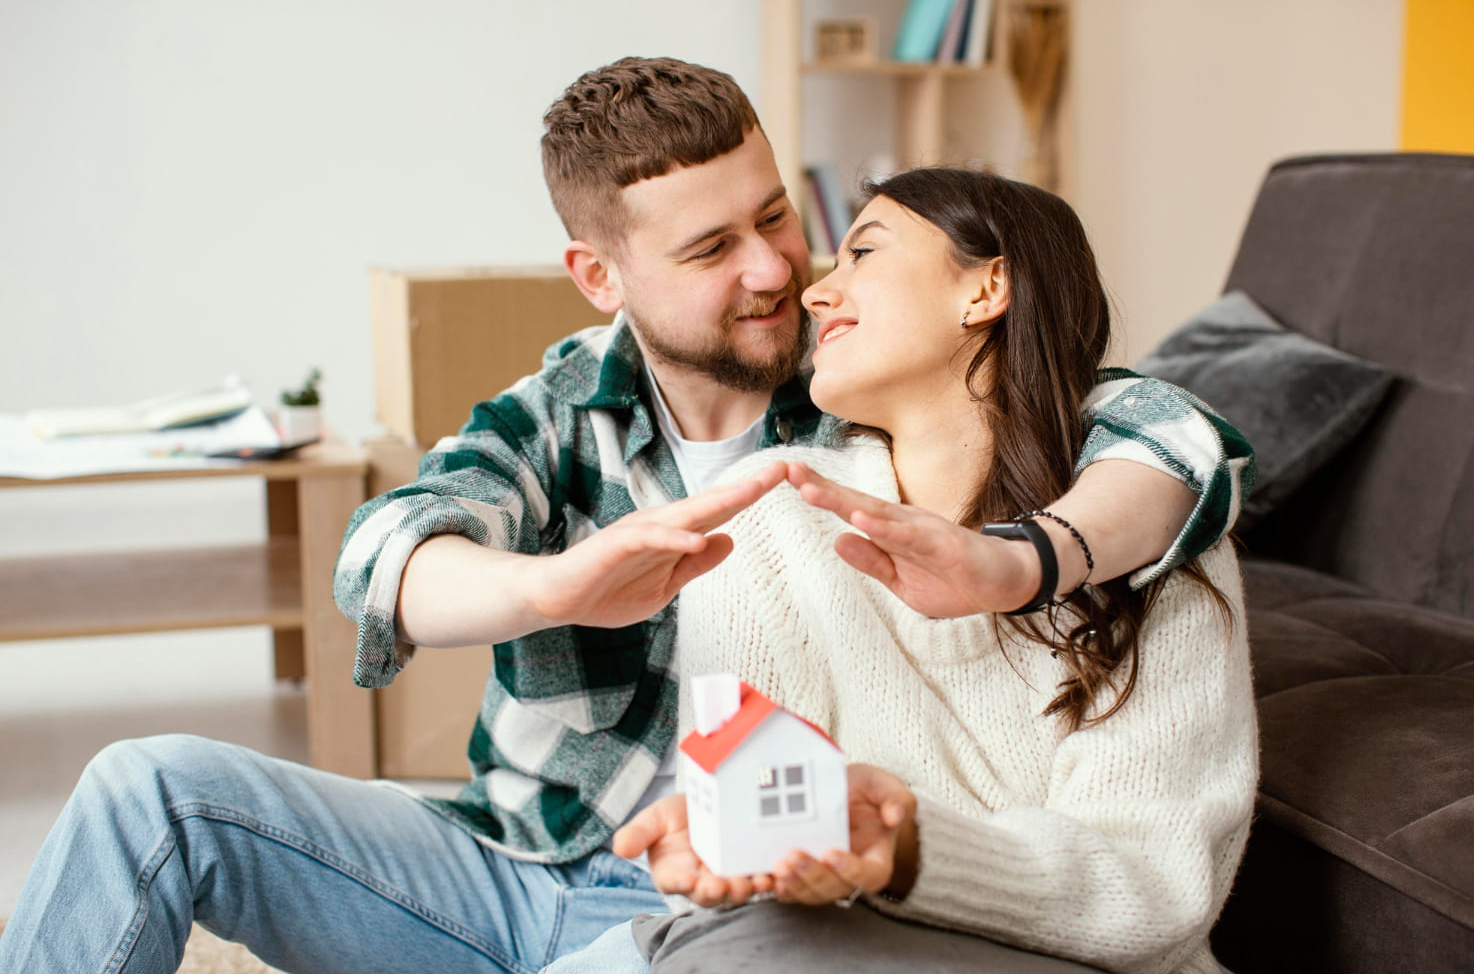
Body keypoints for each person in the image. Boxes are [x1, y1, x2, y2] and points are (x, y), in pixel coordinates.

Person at [0, 58, 1251, 974]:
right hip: (517, 854)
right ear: (604, 277)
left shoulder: (878, 421)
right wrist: (551, 587)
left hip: (708, 902)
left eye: (780, 219)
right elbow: (384, 551)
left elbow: (1178, 439)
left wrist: (1022, 562)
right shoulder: (563, 409)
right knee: (147, 789)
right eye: (713, 249)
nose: (781, 274)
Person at [612, 168, 1258, 974]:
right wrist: (733, 859)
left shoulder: (1151, 533)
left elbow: (1156, 892)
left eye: (864, 254)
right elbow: (743, 852)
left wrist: (913, 847)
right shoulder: (770, 523)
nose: (815, 293)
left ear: (988, 288)